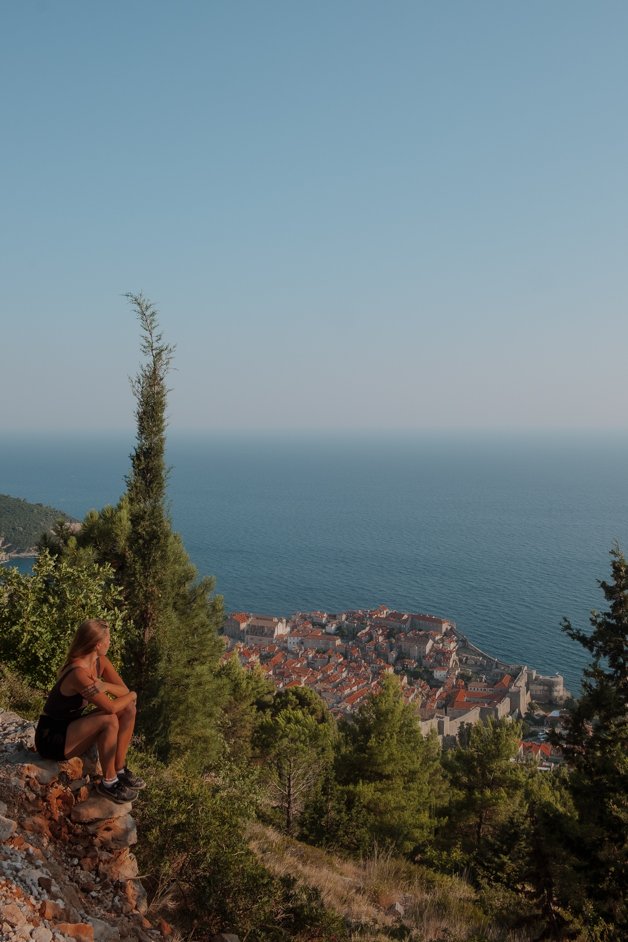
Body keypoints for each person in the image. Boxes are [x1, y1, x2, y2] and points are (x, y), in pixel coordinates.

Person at [35, 618, 145, 804]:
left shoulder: (99, 662)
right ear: (96, 645)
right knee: (110, 719)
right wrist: (134, 694)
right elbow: (110, 706)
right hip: (51, 737)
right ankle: (109, 783)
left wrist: (106, 686)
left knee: (128, 709)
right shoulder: (78, 673)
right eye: (108, 639)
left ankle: (119, 769)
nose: (110, 642)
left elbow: (122, 691)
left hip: (71, 727)